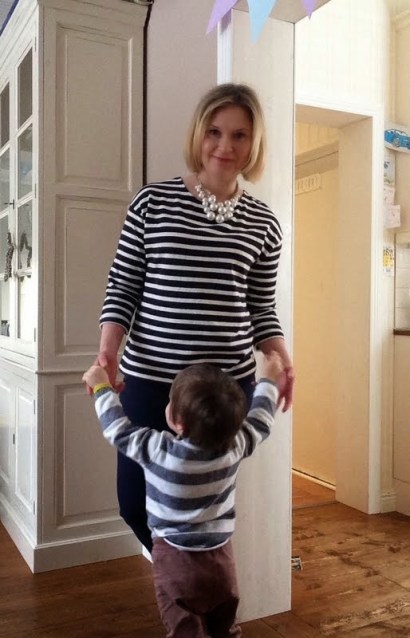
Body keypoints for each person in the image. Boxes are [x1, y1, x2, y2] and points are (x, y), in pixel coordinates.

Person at [90, 82, 294, 552]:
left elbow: (261, 307)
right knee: (133, 503)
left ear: (254, 143)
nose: (225, 146)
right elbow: (123, 286)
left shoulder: (264, 223)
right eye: (214, 131)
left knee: (202, 507)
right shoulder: (152, 203)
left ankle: (186, 585)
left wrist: (284, 360)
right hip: (150, 381)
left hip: (223, 391)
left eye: (240, 135)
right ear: (199, 133)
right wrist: (107, 350)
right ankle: (178, 577)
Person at [83, 352, 286, 638]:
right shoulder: (235, 447)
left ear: (177, 421)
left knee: (185, 632)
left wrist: (101, 386)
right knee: (224, 629)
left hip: (175, 560)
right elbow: (261, 420)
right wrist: (268, 379)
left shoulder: (158, 450)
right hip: (221, 562)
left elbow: (117, 429)